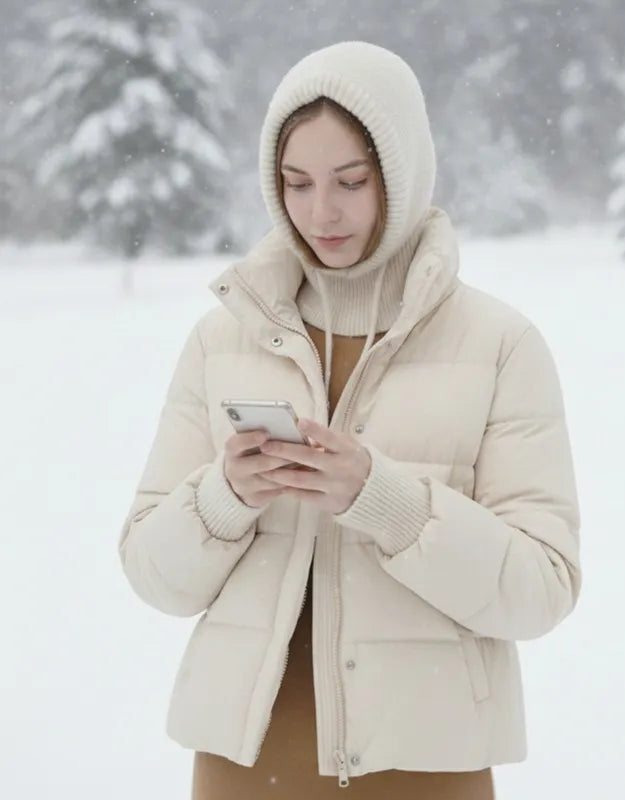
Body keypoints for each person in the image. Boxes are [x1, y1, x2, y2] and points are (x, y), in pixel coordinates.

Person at [118, 41, 582, 799]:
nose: (320, 212)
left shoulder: (500, 346)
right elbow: (152, 575)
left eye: (351, 182)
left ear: (400, 179)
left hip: (425, 769)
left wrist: (386, 502)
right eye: (296, 184)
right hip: (243, 767)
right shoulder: (222, 337)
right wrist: (223, 499)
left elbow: (541, 589)